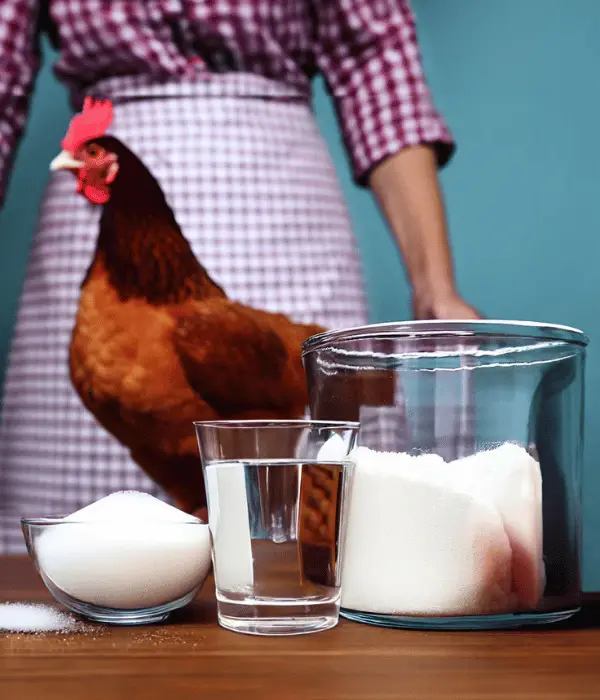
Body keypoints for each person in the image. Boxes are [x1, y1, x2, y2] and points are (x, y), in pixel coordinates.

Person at [0, 0, 478, 551]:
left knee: (304, 550)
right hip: (98, 229)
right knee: (87, 564)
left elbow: (376, 61)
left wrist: (435, 287)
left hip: (282, 199)